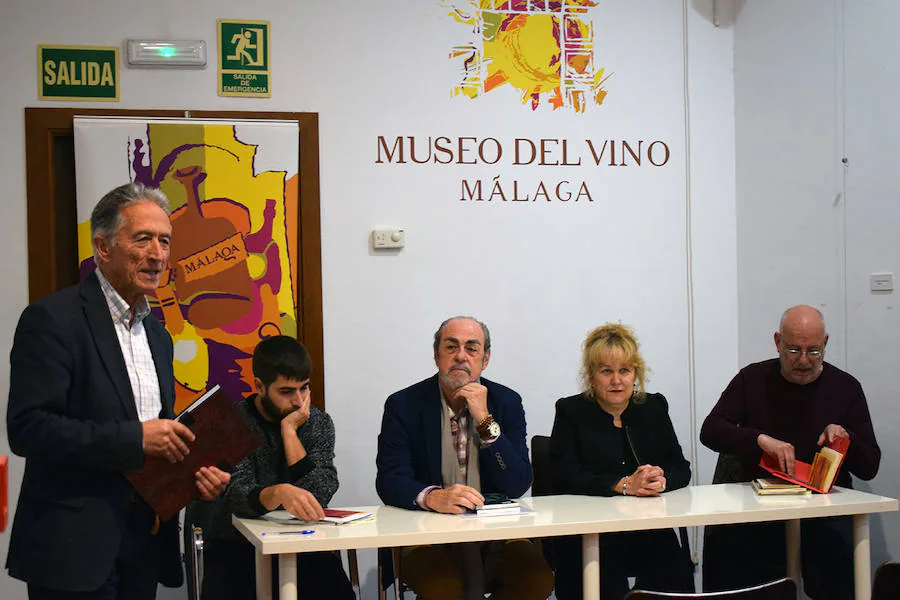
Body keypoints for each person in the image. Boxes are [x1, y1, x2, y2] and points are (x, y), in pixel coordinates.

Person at [5, 182, 231, 600]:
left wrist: (192, 474)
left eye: (165, 241)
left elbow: (156, 445)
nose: (158, 253)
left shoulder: (158, 336)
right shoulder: (53, 319)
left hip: (144, 540)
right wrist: (136, 437)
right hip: (74, 548)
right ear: (103, 247)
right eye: (142, 238)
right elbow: (28, 429)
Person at [700, 305, 881, 599]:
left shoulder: (845, 387)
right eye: (794, 350)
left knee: (839, 567)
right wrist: (758, 439)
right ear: (777, 342)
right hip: (759, 513)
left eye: (814, 351)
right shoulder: (752, 379)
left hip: (822, 514)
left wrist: (847, 440)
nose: (804, 361)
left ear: (826, 343)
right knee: (737, 561)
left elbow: (870, 465)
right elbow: (710, 430)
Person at [375, 316, 554, 600]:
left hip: (498, 532)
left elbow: (518, 482)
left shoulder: (506, 401)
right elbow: (390, 479)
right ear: (436, 355)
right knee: (442, 589)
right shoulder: (404, 405)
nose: (460, 356)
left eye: (471, 348)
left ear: (486, 359)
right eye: (451, 347)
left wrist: (485, 420)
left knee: (536, 581)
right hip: (428, 532)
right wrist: (433, 497)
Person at [186, 335, 355, 599]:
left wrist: (289, 432)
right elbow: (237, 495)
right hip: (236, 544)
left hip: (303, 543)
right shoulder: (232, 421)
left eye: (305, 388)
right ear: (259, 386)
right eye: (286, 392)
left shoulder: (317, 422)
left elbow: (320, 491)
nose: (299, 401)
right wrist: (278, 493)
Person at [549, 323, 695, 600]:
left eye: (624, 371)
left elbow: (681, 468)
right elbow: (564, 475)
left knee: (670, 571)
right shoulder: (571, 411)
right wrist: (622, 485)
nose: (617, 381)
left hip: (646, 527)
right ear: (591, 377)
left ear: (636, 375)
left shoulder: (653, 407)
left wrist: (662, 480)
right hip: (591, 532)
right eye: (606, 371)